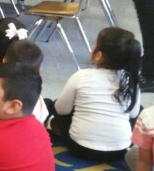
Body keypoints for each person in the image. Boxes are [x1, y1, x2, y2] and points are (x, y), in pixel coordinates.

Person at [45, 27, 142, 163]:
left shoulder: (81, 76)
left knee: (53, 103)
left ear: (99, 55)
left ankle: (56, 131)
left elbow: (61, 110)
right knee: (136, 109)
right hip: (120, 151)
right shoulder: (130, 81)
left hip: (80, 148)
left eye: (94, 43)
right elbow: (133, 114)